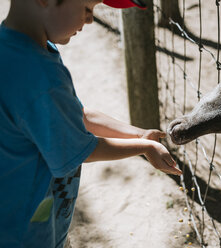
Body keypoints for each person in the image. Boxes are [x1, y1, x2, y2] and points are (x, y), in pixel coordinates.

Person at [0, 0, 182, 247]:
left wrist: (139, 134)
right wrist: (145, 148)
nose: (90, 20)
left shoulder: (18, 49)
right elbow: (82, 149)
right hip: (25, 234)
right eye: (87, 7)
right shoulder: (39, 75)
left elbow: (78, 115)